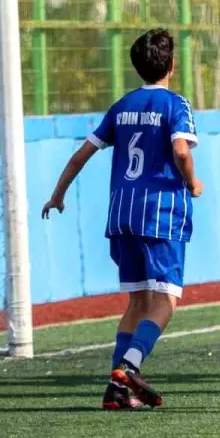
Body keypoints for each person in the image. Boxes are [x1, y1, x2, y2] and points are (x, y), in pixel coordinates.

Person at [42, 29, 203, 409]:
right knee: (164, 300)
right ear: (172, 64)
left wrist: (58, 194)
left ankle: (116, 390)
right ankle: (129, 366)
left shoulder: (122, 106)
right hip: (160, 213)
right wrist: (193, 181)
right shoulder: (176, 104)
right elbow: (180, 151)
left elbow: (83, 153)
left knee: (136, 301)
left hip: (121, 214)